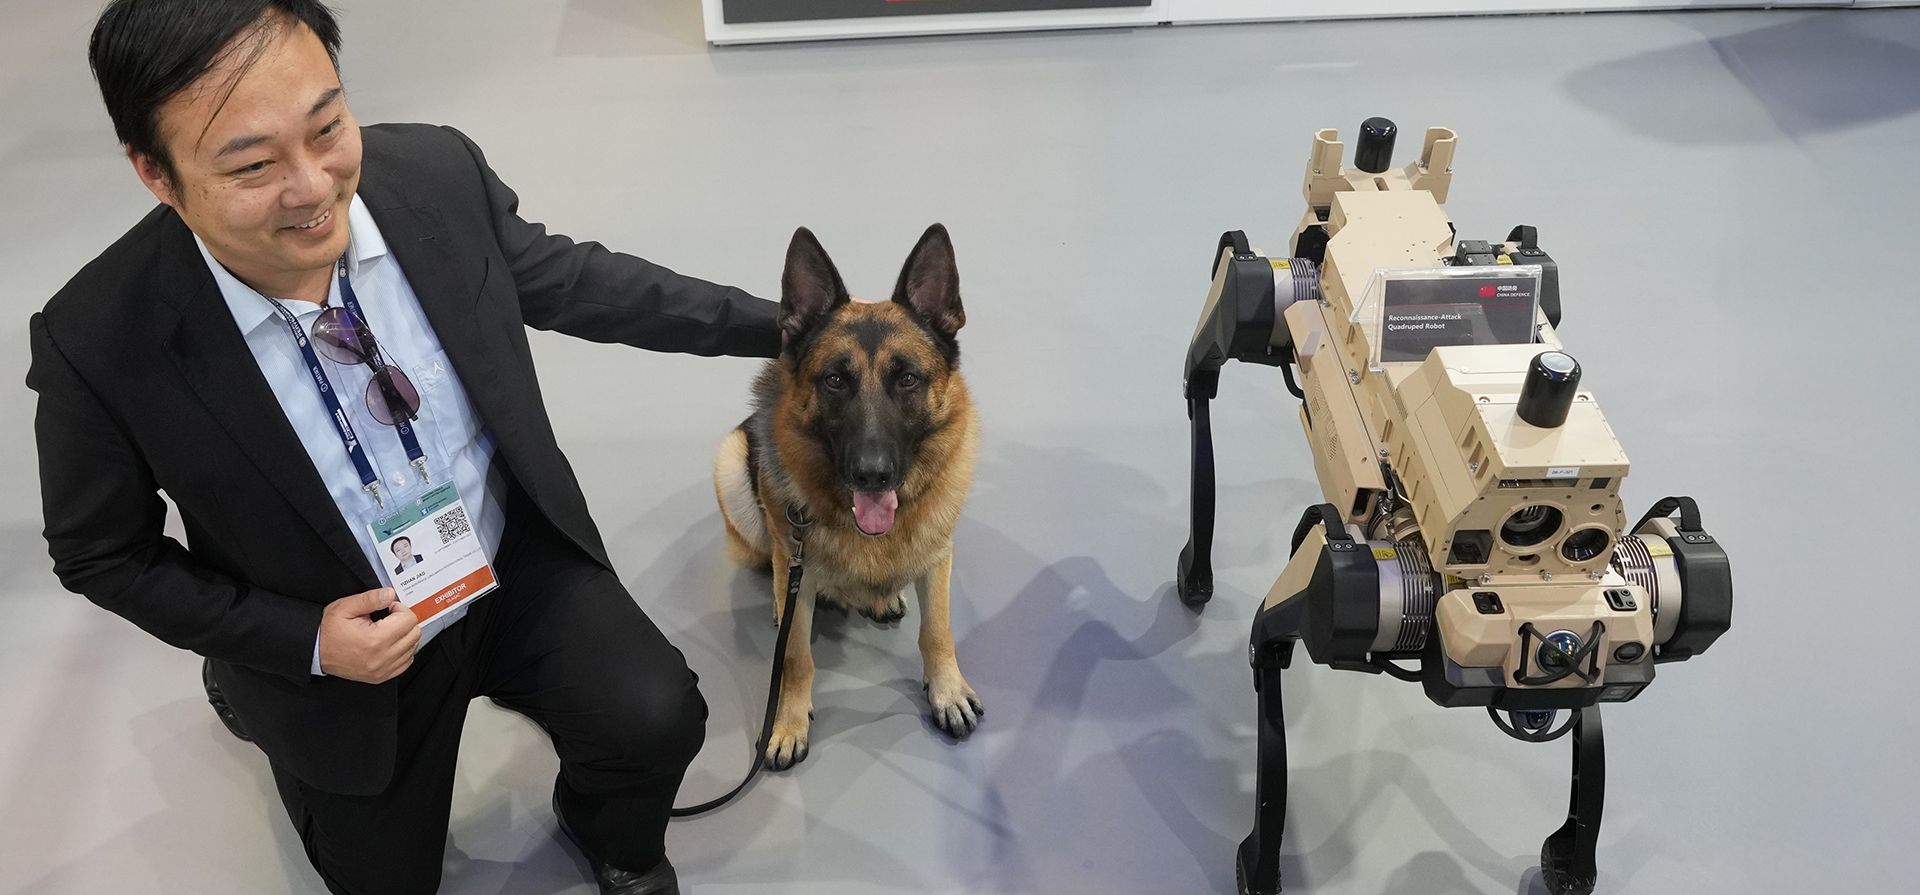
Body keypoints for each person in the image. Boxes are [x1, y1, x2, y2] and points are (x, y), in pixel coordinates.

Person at [29, 2, 781, 893]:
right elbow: (99, 552)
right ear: (155, 173)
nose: (314, 186)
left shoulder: (434, 176)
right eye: (254, 164)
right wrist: (302, 639)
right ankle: (238, 681)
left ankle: (606, 830)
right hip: (342, 624)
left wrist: (789, 328)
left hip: (503, 552)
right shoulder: (100, 338)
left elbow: (576, 280)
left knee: (654, 715)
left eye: (328, 126)